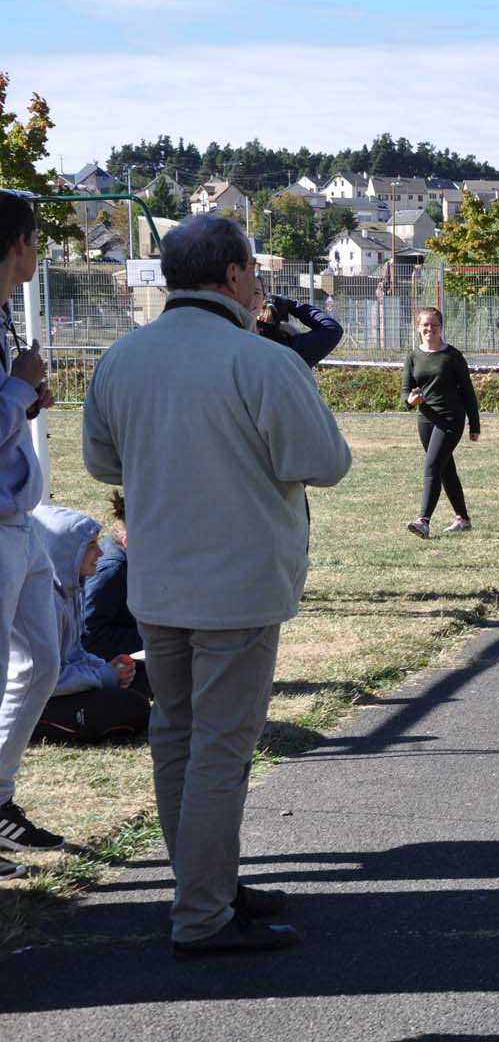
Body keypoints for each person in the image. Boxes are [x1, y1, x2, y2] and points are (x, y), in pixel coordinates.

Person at [82, 214, 352, 955]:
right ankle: (201, 911)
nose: (260, 285)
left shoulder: (122, 358)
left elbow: (104, 463)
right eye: (255, 272)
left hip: (159, 579)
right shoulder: (260, 361)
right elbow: (327, 462)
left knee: (178, 737)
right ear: (232, 276)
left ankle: (207, 883)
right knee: (219, 751)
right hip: (236, 583)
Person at [0, 190, 64, 879]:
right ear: (16, 241)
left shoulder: (3, 318)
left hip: (21, 523)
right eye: (36, 238)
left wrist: (24, 399)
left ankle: (1, 800)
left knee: (41, 661)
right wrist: (19, 391)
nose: (39, 251)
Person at [29, 504, 151, 745]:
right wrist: (104, 675)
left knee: (144, 683)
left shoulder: (70, 590)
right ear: (67, 552)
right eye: (91, 546)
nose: (100, 553)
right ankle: (29, 725)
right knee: (131, 709)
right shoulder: (44, 602)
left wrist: (106, 667)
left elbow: (74, 651)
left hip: (63, 688)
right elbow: (45, 677)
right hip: (38, 698)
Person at [403, 306, 480, 536]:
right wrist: (410, 400)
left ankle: (423, 521)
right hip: (426, 419)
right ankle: (463, 519)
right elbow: (405, 391)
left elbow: (468, 392)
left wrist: (474, 425)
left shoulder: (452, 356)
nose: (430, 329)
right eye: (425, 325)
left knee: (432, 466)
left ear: (441, 327)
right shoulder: (413, 357)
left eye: (434, 325)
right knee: (446, 469)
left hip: (450, 418)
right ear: (418, 328)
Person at [83, 491, 141, 664]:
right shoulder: (110, 571)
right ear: (128, 542)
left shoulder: (126, 556)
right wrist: (152, 636)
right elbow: (91, 636)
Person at [251, 280, 344, 367]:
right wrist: (293, 305)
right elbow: (332, 328)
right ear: (285, 318)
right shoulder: (294, 348)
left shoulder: (245, 337)